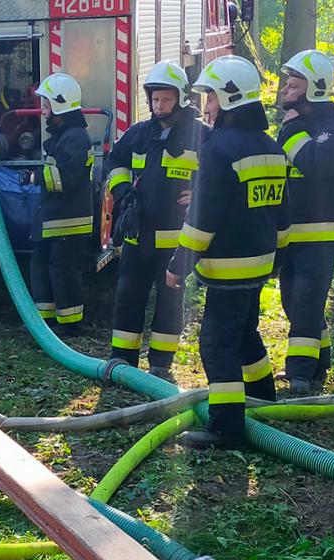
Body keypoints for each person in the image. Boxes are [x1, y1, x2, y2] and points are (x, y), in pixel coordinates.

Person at [167, 55, 287, 449]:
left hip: (228, 267)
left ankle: (227, 427)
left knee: (217, 344)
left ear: (230, 99)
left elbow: (203, 220)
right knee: (246, 334)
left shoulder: (218, 149)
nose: (207, 107)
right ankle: (265, 401)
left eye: (212, 98)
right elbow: (280, 212)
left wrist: (178, 264)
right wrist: (279, 257)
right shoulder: (271, 146)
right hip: (261, 263)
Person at [104, 60, 207, 380]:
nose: (159, 106)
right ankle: (122, 360)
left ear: (180, 98)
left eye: (165, 99)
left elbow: (219, 171)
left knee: (169, 304)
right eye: (154, 99)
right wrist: (123, 192)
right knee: (127, 298)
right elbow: (115, 160)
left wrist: (200, 192)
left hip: (175, 242)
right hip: (137, 238)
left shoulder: (200, 135)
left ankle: (161, 364)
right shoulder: (139, 133)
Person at [274, 49, 334, 394]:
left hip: (320, 234)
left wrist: (291, 130)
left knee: (306, 301)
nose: (285, 92)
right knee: (294, 301)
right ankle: (321, 363)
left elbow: (314, 163)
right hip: (290, 232)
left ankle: (300, 376)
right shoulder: (297, 127)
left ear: (314, 89)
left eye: (293, 86)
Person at [32, 71, 94, 336]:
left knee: (64, 273)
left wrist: (36, 176)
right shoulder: (66, 136)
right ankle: (45, 321)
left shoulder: (76, 137)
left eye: (46, 105)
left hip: (69, 221)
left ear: (59, 105)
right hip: (56, 219)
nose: (43, 111)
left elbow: (68, 178)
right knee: (42, 267)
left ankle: (70, 325)